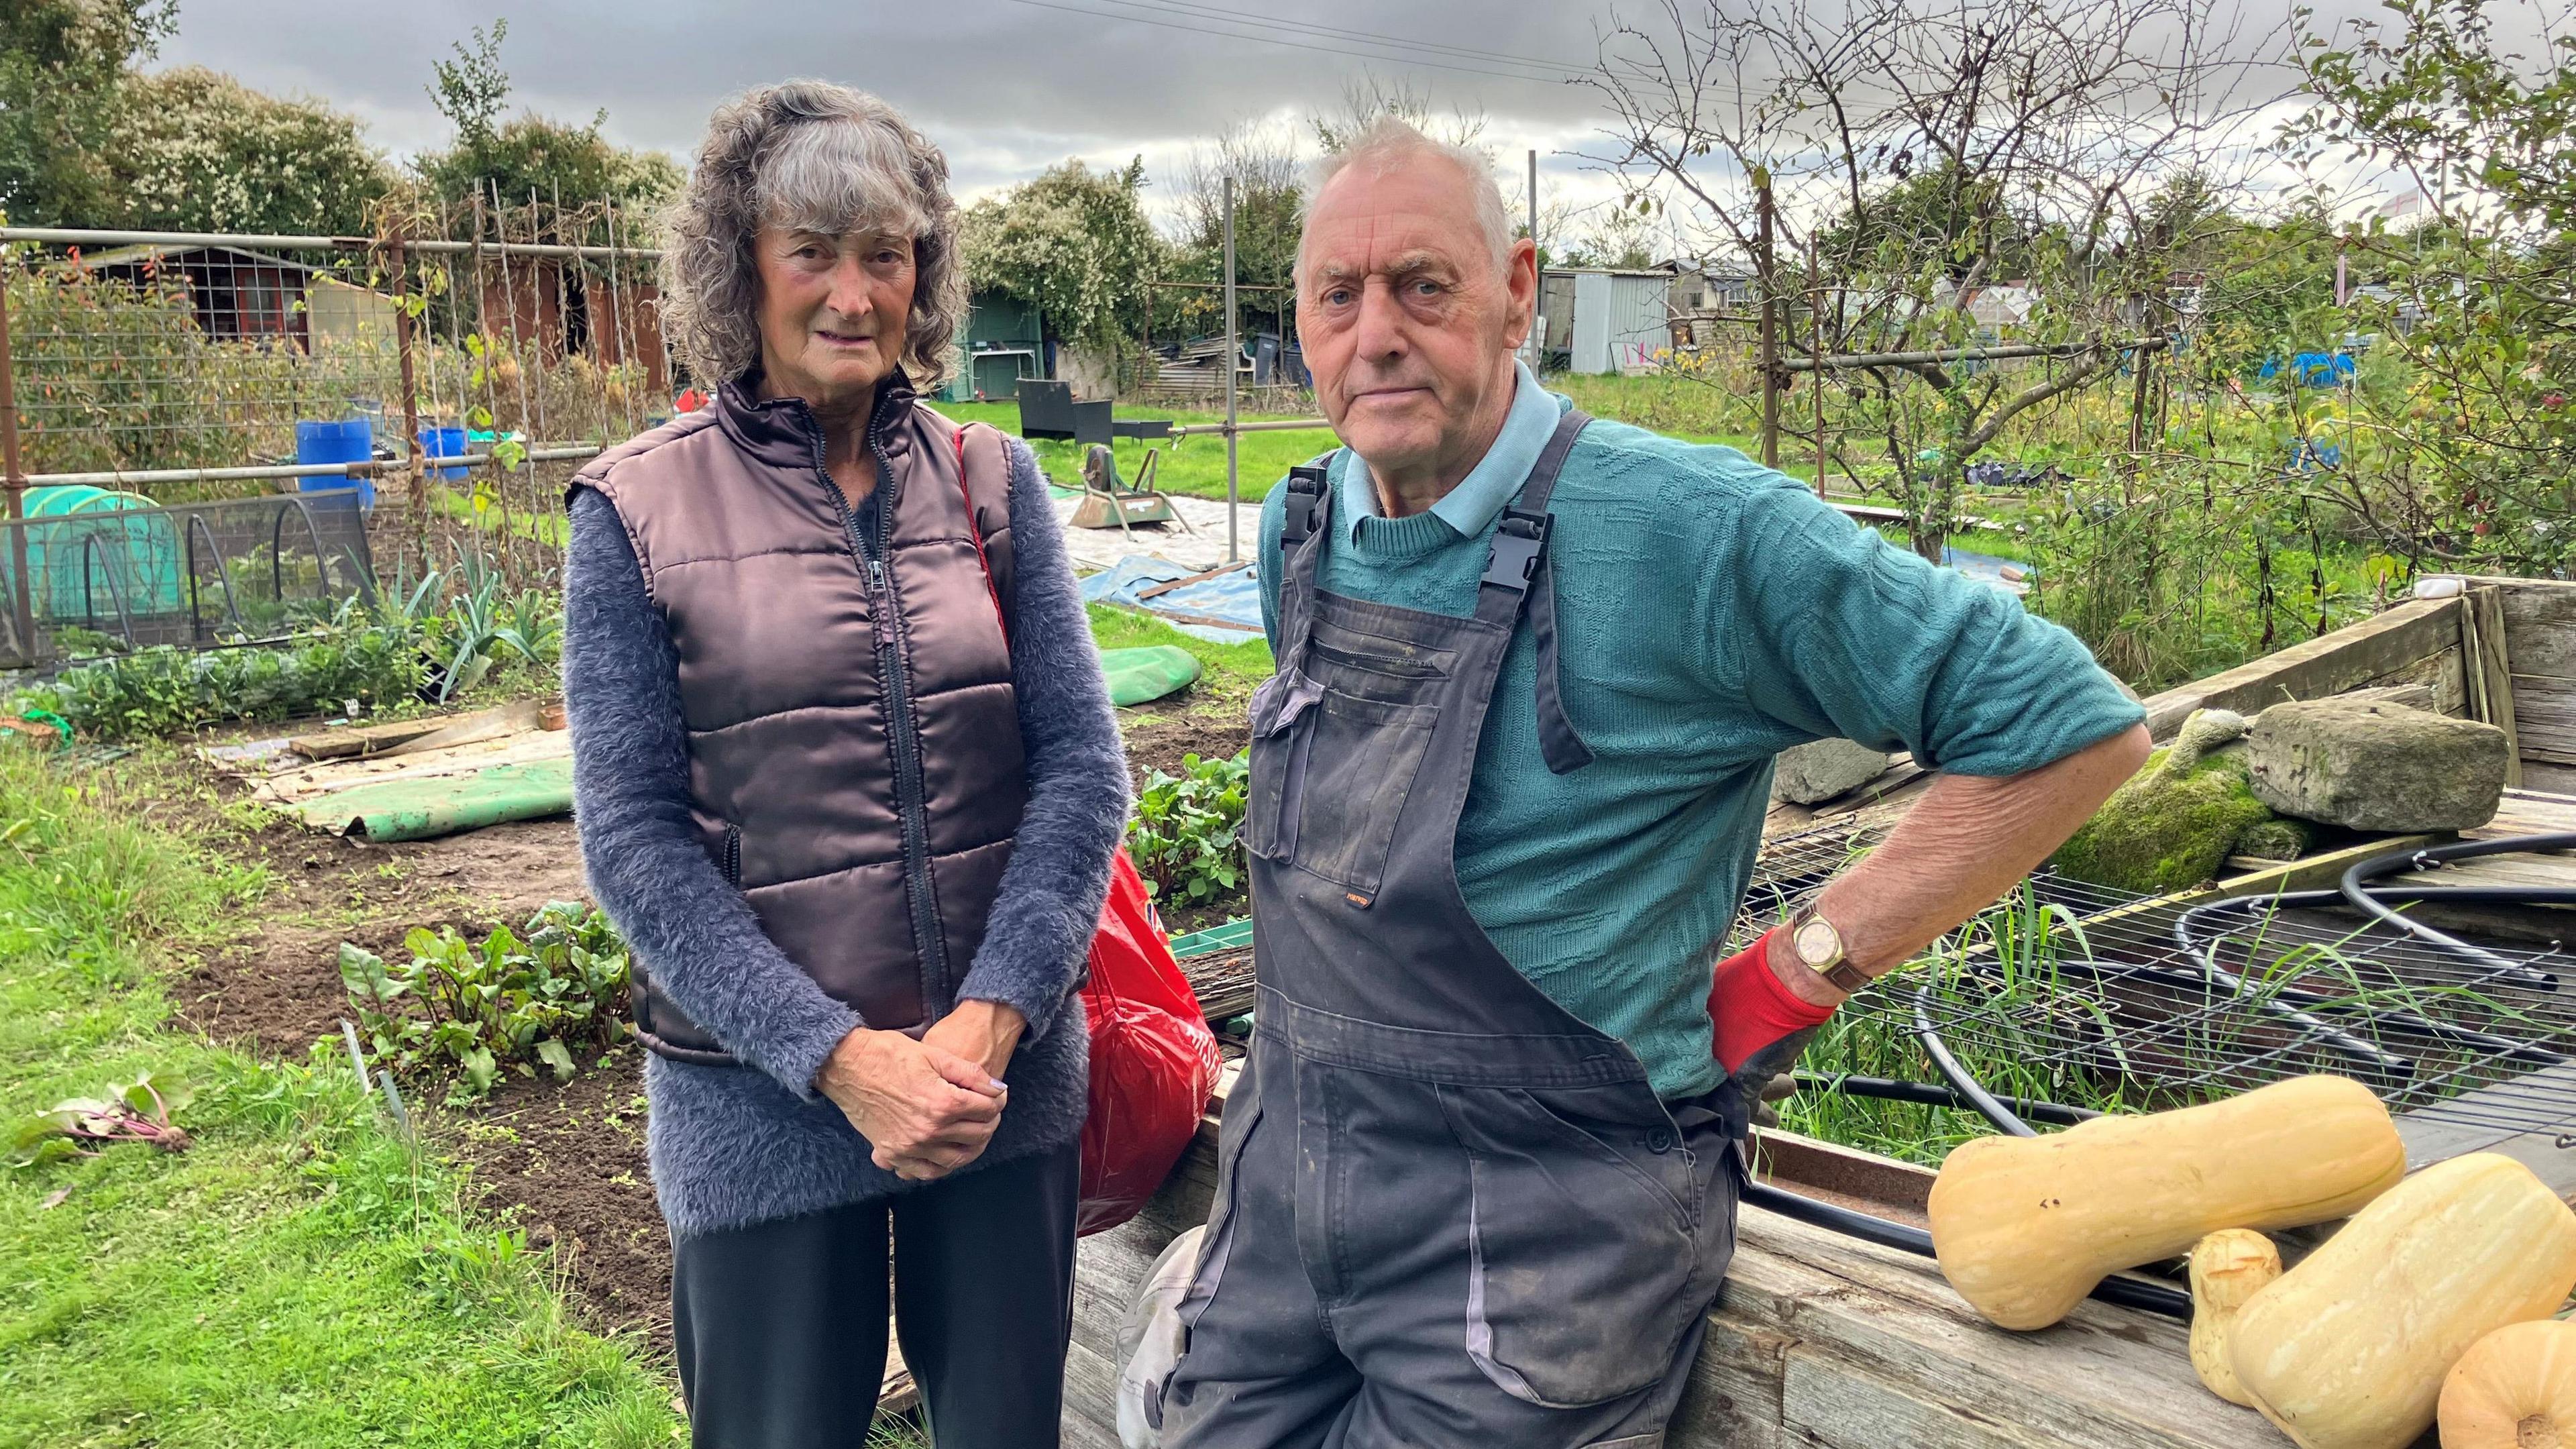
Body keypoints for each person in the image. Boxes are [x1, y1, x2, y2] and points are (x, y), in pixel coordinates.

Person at [1157, 119, 2151, 1448]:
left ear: (1517, 291)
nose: (1376, 332)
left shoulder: (1690, 531)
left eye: (1423, 285)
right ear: (1301, 317)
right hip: (1287, 1201)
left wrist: (1804, 963)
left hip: (1543, 1242)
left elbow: (2070, 728)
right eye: (1340, 294)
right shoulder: (1300, 526)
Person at [559, 80, 1128, 1448]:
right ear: (739, 265)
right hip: (758, 1105)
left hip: (993, 1098)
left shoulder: (993, 484)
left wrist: (989, 1023)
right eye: (811, 251)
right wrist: (838, 1060)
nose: (852, 293)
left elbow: (1082, 770)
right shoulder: (634, 509)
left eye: (887, 253)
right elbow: (633, 842)